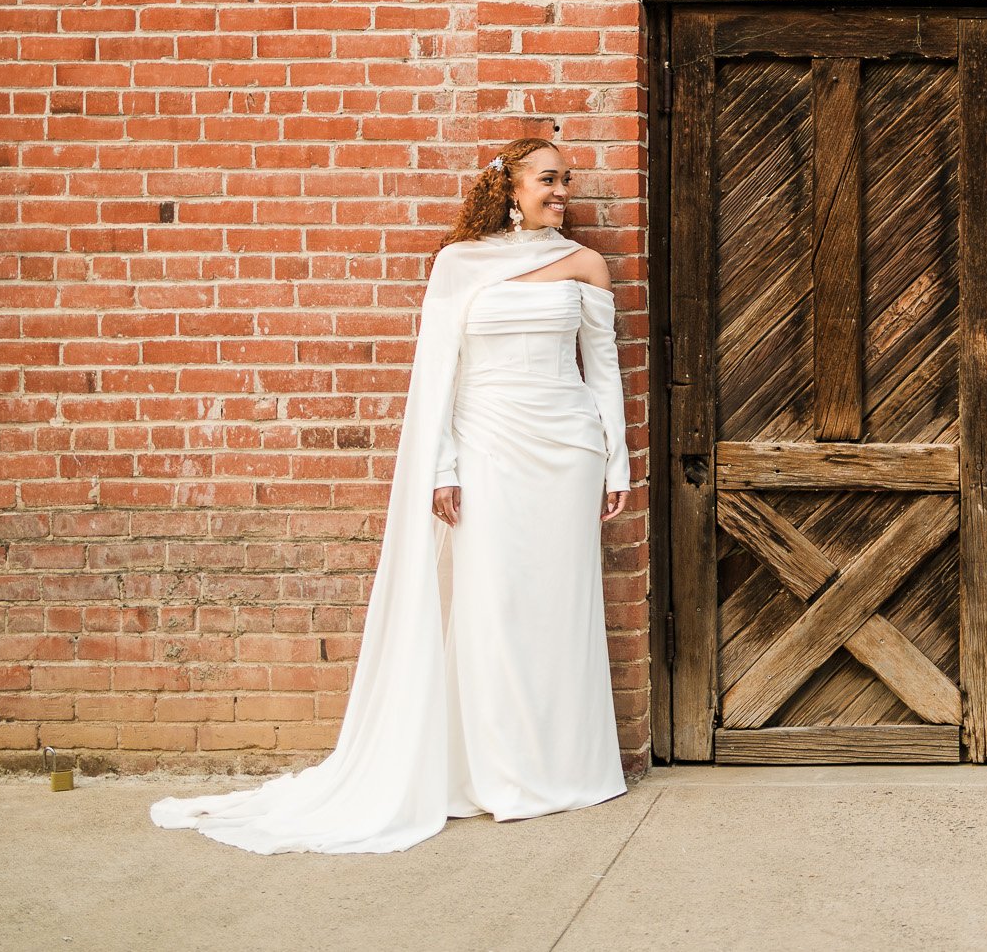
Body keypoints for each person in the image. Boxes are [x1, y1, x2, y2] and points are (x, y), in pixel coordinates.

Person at [152, 137, 636, 853]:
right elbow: (437, 372)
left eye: (566, 180)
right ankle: (499, 771)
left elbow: (602, 373)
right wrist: (442, 463)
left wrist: (616, 464)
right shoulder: (458, 264)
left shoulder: (586, 265)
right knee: (492, 603)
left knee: (561, 605)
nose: (561, 190)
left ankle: (565, 766)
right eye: (547, 178)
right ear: (509, 187)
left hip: (567, 451)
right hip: (489, 447)